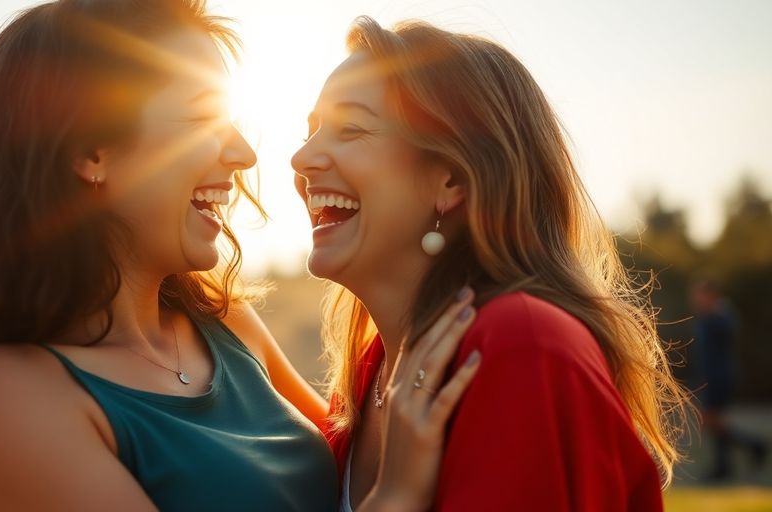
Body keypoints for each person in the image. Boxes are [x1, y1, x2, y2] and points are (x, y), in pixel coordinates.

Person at [0, 2, 478, 511]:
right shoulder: (0, 396)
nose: (243, 153)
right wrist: (394, 500)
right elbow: (387, 484)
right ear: (93, 151)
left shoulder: (227, 327)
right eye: (203, 120)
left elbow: (354, 473)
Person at [292, 16, 693, 511]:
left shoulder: (521, 345)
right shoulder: (369, 372)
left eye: (350, 129)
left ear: (451, 179)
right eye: (310, 132)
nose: (302, 158)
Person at [690, 279, 768, 481]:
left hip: (720, 376)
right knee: (714, 421)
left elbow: (726, 339)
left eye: (701, 294)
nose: (697, 299)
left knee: (712, 420)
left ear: (712, 295)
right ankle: (724, 466)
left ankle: (754, 447)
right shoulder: (705, 318)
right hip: (709, 376)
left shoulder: (721, 316)